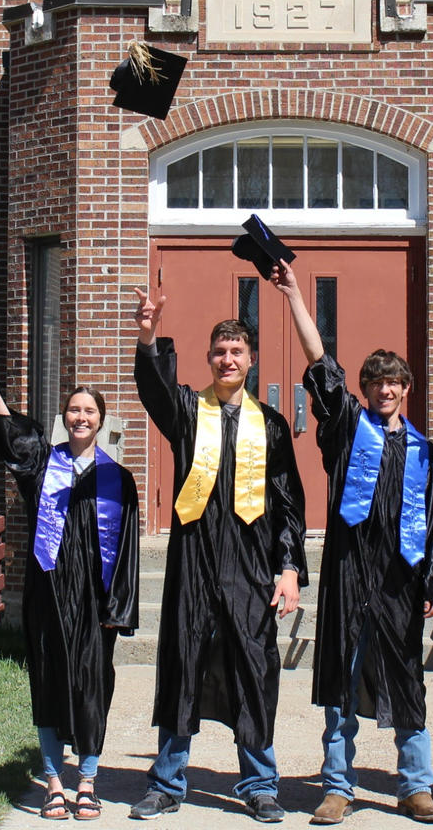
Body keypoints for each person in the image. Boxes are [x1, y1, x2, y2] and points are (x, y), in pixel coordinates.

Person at [271, 262, 433, 825]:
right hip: (351, 575)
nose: (386, 389)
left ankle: (416, 786)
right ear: (365, 391)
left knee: (408, 681)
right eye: (376, 382)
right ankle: (338, 787)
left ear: (406, 388)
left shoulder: (424, 453)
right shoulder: (349, 427)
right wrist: (298, 294)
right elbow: (320, 362)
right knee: (342, 680)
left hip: (401, 581)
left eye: (394, 381)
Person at [129, 289, 307, 823]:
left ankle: (260, 783)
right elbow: (153, 390)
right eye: (219, 352)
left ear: (251, 361)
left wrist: (291, 567)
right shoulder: (189, 410)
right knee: (182, 663)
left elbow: (288, 502)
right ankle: (166, 782)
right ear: (209, 359)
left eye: (237, 352)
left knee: (254, 668)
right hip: (193, 563)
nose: (228, 360)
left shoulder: (271, 425)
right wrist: (147, 334)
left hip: (250, 569)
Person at [0, 350, 139, 821]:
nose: (80, 417)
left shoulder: (119, 480)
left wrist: (119, 607)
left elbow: (126, 551)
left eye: (90, 411)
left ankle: (88, 780)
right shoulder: (43, 466)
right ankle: (54, 781)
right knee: (46, 684)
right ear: (65, 417)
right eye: (74, 409)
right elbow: (11, 437)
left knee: (93, 688)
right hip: (49, 599)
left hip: (94, 603)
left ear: (101, 420)